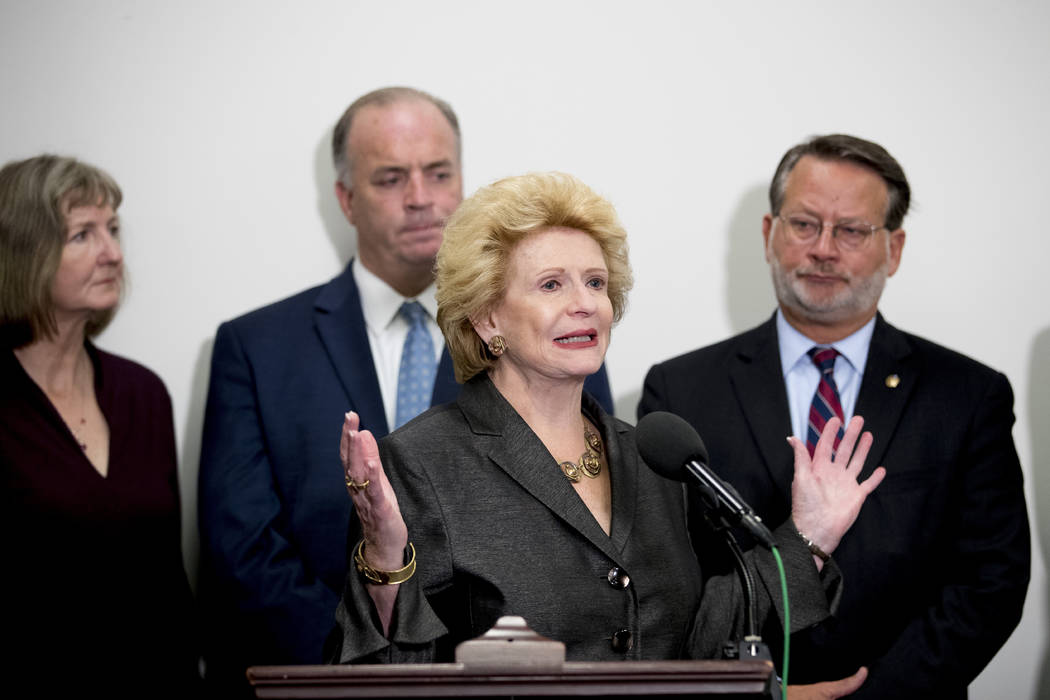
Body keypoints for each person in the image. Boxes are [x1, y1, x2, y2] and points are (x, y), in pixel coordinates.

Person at [326, 171, 882, 699]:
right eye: (551, 285)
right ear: (486, 317)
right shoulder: (423, 462)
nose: (585, 303)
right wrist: (386, 559)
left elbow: (701, 647)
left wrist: (808, 535)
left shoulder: (651, 457)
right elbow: (390, 678)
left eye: (596, 282)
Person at [197, 88, 613, 688]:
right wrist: (369, 657)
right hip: (313, 677)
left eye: (438, 174)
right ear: (345, 198)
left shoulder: (550, 331)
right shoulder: (256, 348)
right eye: (391, 179)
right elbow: (244, 553)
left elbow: (580, 521)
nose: (421, 199)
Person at [638, 134, 1031, 698]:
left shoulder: (967, 397)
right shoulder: (680, 390)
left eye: (851, 230)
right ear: (770, 235)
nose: (823, 248)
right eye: (804, 224)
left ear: (893, 249)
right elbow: (666, 584)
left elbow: (991, 582)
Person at [0, 155, 198, 696]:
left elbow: (167, 582)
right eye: (82, 234)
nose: (112, 253)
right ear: (24, 253)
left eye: (112, 229)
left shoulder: (143, 393)